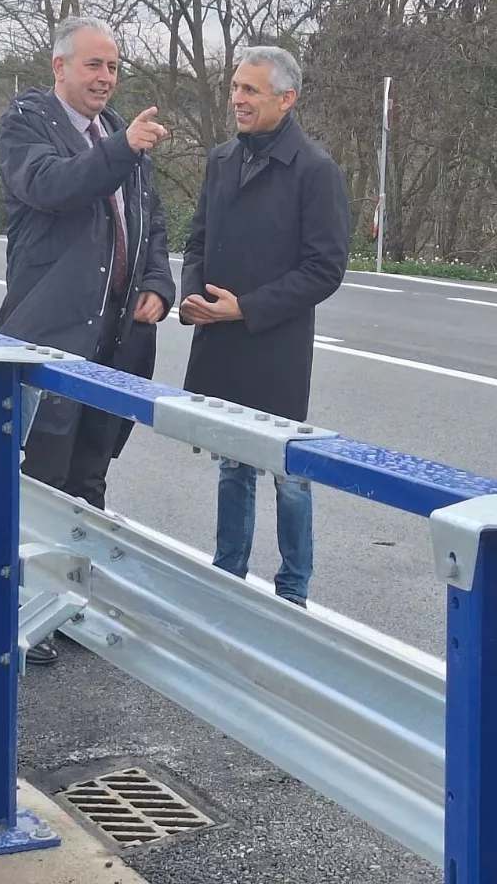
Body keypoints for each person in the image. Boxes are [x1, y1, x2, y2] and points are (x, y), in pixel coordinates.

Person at [0, 16, 176, 662]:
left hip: (116, 342)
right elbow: (52, 189)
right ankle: (25, 615)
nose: (106, 78)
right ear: (59, 67)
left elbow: (148, 222)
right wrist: (122, 147)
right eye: (94, 65)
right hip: (50, 339)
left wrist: (157, 283)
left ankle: (73, 606)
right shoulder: (28, 126)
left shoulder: (116, 134)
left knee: (89, 478)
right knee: (41, 481)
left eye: (114, 67)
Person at [179, 46, 350, 607]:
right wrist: (192, 300)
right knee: (232, 461)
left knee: (286, 468)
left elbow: (324, 269)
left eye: (250, 90)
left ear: (286, 98)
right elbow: (198, 241)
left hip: (273, 343)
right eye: (234, 87)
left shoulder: (315, 171)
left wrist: (246, 308)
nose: (237, 99)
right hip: (221, 337)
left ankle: (293, 588)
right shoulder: (221, 160)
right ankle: (228, 572)